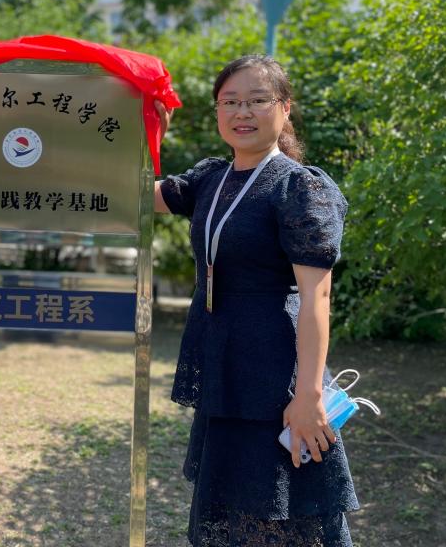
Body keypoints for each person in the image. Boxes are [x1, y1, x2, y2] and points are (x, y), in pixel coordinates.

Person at [154, 55, 358, 547]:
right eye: (230, 102)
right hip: (224, 365)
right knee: (231, 509)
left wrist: (308, 397)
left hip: (275, 371)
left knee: (283, 512)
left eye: (257, 100)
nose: (242, 112)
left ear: (284, 109)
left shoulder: (298, 186)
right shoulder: (211, 179)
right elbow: (137, 196)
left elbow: (317, 295)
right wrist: (149, 133)